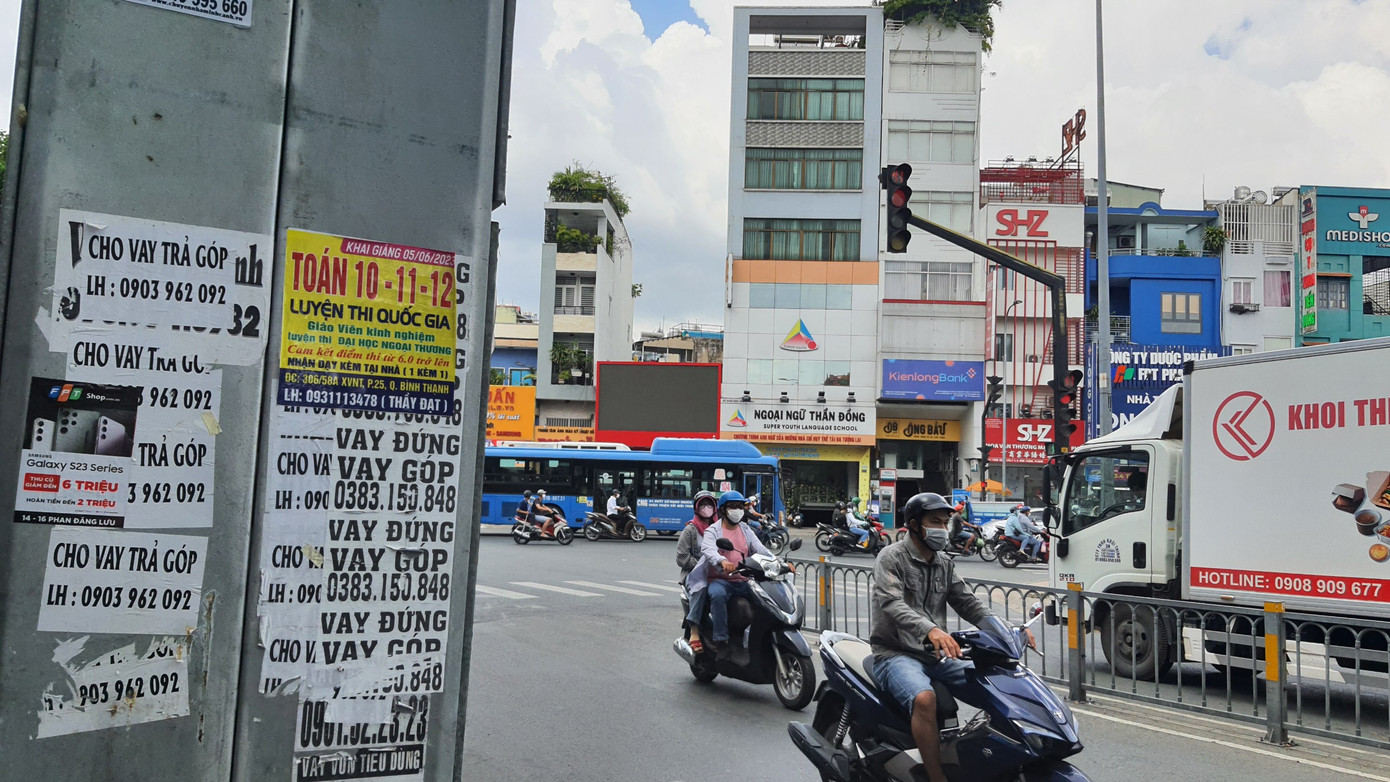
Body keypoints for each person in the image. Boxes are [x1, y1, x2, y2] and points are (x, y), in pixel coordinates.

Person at [870, 492, 1034, 782]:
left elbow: (969, 602)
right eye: (935, 522)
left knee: (999, 683)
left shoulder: (944, 563)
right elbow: (892, 603)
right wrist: (930, 629)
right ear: (914, 525)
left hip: (937, 654)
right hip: (895, 654)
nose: (943, 529)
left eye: (946, 523)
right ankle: (936, 776)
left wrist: (1008, 629)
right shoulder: (891, 557)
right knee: (924, 699)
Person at [696, 490, 786, 655]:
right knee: (717, 595)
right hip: (722, 579)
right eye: (733, 506)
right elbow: (708, 549)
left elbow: (760, 549)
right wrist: (722, 561)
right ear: (723, 510)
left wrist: (779, 562)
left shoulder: (745, 529)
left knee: (767, 600)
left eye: (740, 506)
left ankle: (761, 639)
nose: (737, 510)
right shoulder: (713, 530)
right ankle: (721, 640)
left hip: (745, 580)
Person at [676, 491, 720, 652]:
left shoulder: (720, 527)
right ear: (696, 507)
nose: (706, 508)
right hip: (695, 575)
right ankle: (694, 630)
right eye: (702, 504)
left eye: (709, 504)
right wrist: (702, 566)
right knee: (700, 588)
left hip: (719, 573)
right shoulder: (690, 530)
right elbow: (681, 558)